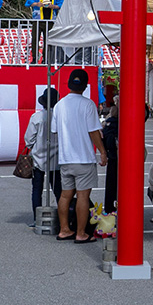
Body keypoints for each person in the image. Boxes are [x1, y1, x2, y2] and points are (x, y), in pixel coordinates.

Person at [52, 70, 107, 243]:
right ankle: (81, 233)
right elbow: (93, 131)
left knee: (65, 195)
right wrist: (103, 151)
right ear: (85, 86)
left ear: (69, 84)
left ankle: (64, 229)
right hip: (83, 158)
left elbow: (54, 130)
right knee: (83, 196)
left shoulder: (59, 105)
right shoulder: (88, 104)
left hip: (66, 158)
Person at [24, 87, 62, 227]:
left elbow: (28, 139)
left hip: (39, 158)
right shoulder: (60, 117)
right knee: (59, 191)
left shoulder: (37, 117)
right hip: (57, 159)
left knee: (37, 190)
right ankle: (63, 219)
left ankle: (37, 218)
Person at [25, 0, 64, 64]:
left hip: (50, 21)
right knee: (35, 39)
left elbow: (62, 3)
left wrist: (54, 6)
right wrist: (36, 4)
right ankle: (34, 58)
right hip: (38, 20)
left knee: (48, 40)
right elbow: (28, 2)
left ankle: (46, 59)